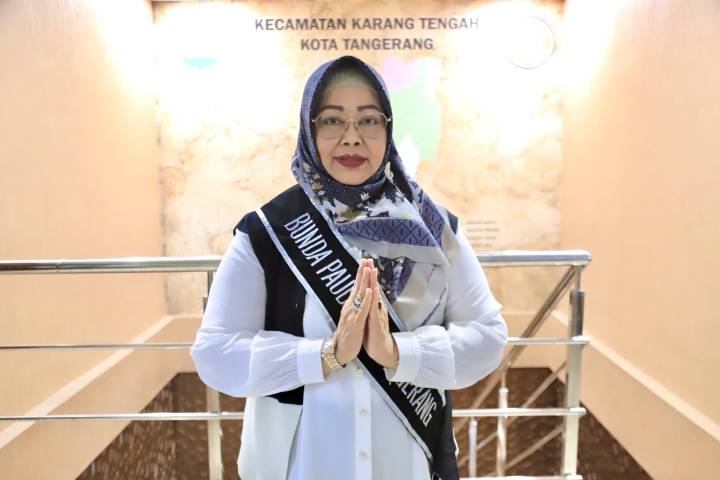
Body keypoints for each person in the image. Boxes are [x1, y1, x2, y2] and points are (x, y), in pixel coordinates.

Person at [189, 55, 508, 480]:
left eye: (369, 120)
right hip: (304, 467)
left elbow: (488, 337)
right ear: (309, 129)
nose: (352, 137)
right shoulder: (267, 233)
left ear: (388, 128)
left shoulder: (434, 228)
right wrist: (325, 354)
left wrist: (399, 353)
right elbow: (214, 355)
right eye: (332, 120)